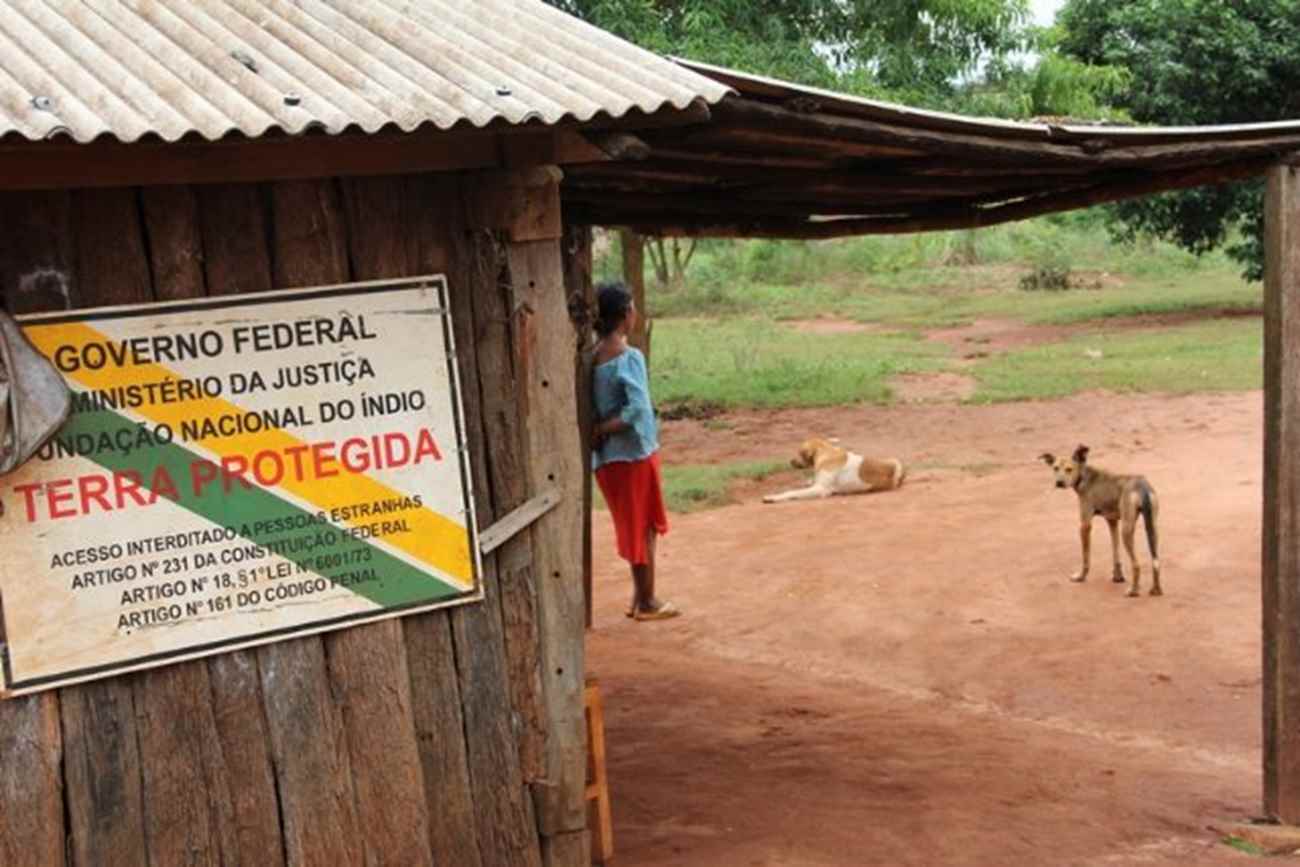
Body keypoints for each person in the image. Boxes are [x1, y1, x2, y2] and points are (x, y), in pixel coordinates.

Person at [590, 281, 680, 621]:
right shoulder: (629, 358)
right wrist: (604, 428)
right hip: (635, 455)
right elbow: (638, 410)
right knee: (643, 527)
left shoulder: (591, 357)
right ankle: (647, 602)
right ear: (627, 314)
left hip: (607, 459)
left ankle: (639, 595)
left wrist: (597, 431)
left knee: (632, 524)